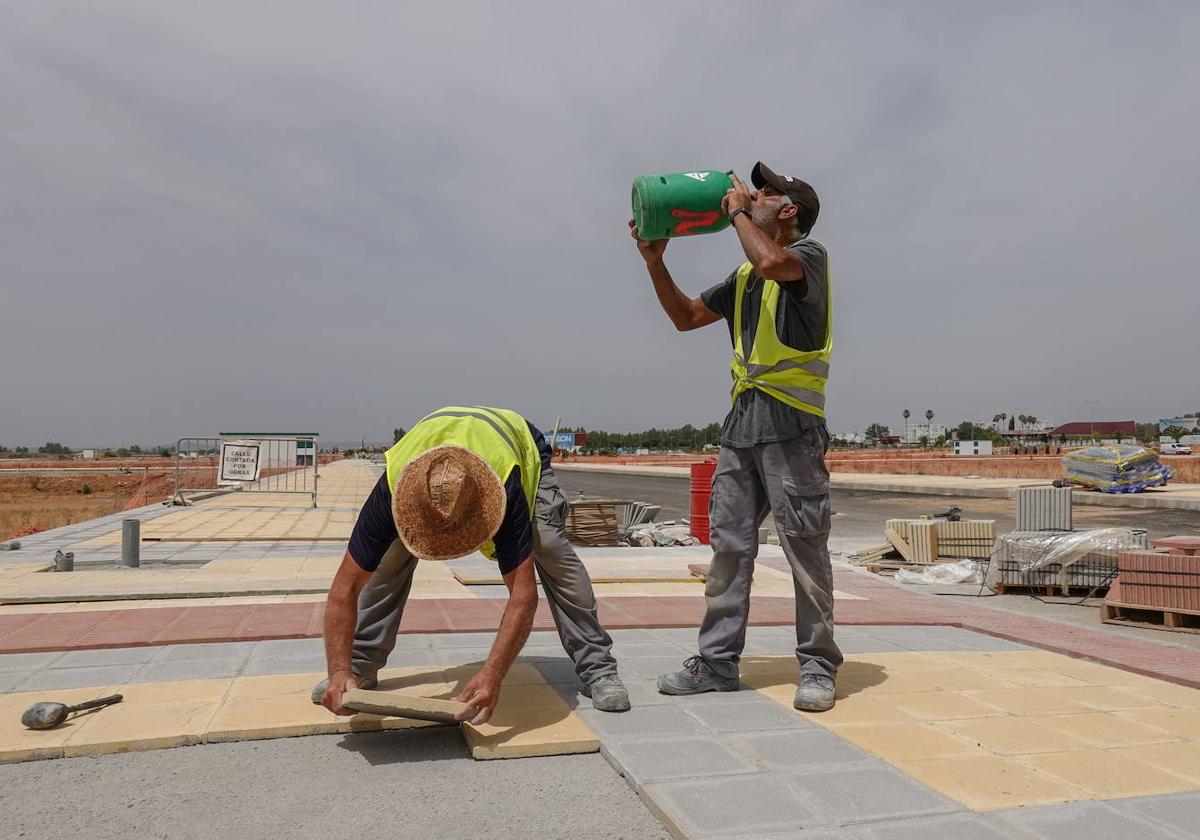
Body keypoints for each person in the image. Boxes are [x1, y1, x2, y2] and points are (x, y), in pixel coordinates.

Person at [630, 162, 841, 711]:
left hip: (793, 430)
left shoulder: (807, 256)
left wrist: (738, 211)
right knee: (729, 549)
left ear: (788, 211)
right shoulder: (743, 279)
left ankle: (818, 666)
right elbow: (684, 316)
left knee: (805, 551)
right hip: (741, 428)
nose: (751, 193)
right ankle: (718, 663)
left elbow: (773, 260)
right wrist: (655, 261)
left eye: (765, 191)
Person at [315, 405, 630, 723]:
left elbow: (523, 596)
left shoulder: (507, 488)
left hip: (518, 448)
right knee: (390, 559)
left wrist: (493, 673)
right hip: (447, 450)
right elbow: (345, 587)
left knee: (549, 547)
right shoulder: (393, 487)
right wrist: (338, 668)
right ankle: (359, 667)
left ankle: (598, 668)